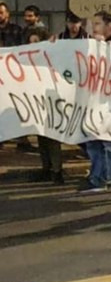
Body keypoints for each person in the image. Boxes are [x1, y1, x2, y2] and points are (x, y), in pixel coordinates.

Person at [78, 11, 111, 194]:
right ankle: (97, 178)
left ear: (110, 26)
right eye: (93, 24)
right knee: (94, 141)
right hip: (94, 97)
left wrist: (102, 48)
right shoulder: (93, 45)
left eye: (98, 24)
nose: (94, 28)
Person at [22, 28, 64, 184]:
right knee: (41, 136)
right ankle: (46, 168)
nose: (33, 45)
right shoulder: (27, 59)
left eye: (37, 41)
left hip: (51, 99)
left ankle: (57, 171)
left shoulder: (51, 57)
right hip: (35, 100)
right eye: (31, 42)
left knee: (52, 136)